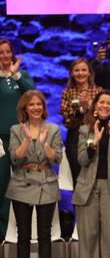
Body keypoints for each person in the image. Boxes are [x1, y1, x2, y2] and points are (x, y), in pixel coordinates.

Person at [72, 90, 110, 258]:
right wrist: (94, 143)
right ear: (95, 105)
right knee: (87, 238)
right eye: (101, 102)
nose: (105, 105)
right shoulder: (85, 129)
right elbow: (82, 160)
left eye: (109, 103)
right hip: (88, 188)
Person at [6, 90, 62, 258]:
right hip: (21, 183)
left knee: (45, 235)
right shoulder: (16, 129)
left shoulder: (53, 129)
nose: (36, 107)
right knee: (23, 235)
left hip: (46, 183)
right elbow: (15, 158)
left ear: (43, 107)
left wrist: (44, 144)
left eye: (39, 104)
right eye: (32, 104)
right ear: (25, 107)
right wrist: (28, 139)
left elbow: (57, 159)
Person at [0, 38, 35, 239]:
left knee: (25, 182)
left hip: (22, 137)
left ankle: (26, 230)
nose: (5, 56)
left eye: (7, 52)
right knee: (2, 183)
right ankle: (3, 231)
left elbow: (32, 93)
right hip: (1, 139)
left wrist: (16, 74)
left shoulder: (21, 76)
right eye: (1, 53)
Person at [60, 57, 102, 187]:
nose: (80, 73)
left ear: (89, 72)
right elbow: (66, 117)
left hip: (94, 136)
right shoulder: (67, 92)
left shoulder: (98, 91)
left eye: (84, 70)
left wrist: (90, 107)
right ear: (72, 73)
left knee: (95, 178)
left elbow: (102, 115)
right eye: (76, 70)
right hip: (74, 137)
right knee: (77, 178)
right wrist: (79, 109)